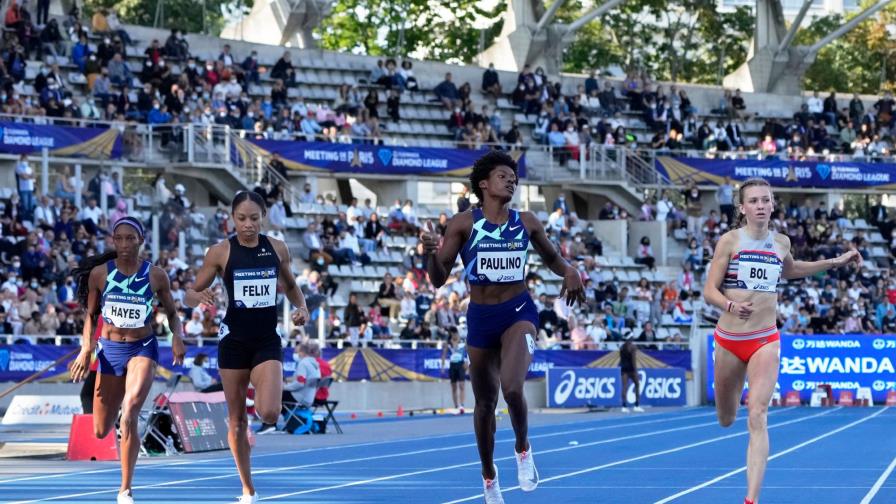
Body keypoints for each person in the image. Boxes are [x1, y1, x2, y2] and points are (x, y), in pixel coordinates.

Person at [420, 151, 585, 503]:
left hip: (519, 311)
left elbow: (554, 259)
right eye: (503, 176)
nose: (511, 180)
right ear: (483, 184)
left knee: (512, 388)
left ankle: (523, 449)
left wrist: (570, 271)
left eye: (514, 177)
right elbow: (437, 278)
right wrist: (428, 252)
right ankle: (489, 476)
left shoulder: (526, 221)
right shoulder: (463, 224)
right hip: (480, 317)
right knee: (484, 405)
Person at [703, 177, 861, 504]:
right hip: (730, 339)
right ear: (743, 208)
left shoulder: (781, 243)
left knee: (757, 414)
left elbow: (791, 270)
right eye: (755, 201)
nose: (761, 206)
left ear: (772, 204)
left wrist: (833, 262)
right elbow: (709, 291)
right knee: (726, 418)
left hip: (765, 339)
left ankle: (751, 499)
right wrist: (730, 305)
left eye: (766, 200)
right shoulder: (730, 242)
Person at [184, 191, 309, 504]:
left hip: (266, 339)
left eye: (254, 218)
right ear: (232, 218)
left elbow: (291, 286)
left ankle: (261, 387)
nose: (248, 225)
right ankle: (247, 488)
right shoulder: (220, 252)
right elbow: (189, 293)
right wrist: (198, 298)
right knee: (238, 420)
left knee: (269, 412)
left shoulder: (277, 248)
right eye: (242, 219)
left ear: (263, 217)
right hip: (234, 344)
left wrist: (302, 308)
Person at [69, 216, 185, 504]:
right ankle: (119, 428)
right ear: (112, 241)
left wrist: (177, 336)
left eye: (130, 238)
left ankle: (125, 488)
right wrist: (87, 349)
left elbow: (171, 313)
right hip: (109, 352)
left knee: (131, 410)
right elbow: (91, 316)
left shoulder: (156, 275)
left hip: (142, 348)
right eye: (118, 238)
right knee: (100, 430)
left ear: (141, 240)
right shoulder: (100, 274)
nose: (123, 244)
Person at [257, 342, 321, 434]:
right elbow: (301, 379)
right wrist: (288, 381)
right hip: (308, 397)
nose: (295, 354)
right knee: (278, 396)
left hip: (300, 396)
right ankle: (287, 421)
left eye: (296, 352)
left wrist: (284, 387)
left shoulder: (303, 363)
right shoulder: (314, 364)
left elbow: (300, 383)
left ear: (302, 353)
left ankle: (269, 425)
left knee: (272, 396)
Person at [440, 327, 467, 414]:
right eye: (453, 334)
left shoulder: (462, 342)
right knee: (454, 386)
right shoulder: (448, 343)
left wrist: (467, 363)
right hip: (453, 365)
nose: (454, 335)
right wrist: (443, 367)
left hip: (460, 364)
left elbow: (468, 352)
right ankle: (456, 405)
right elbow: (444, 355)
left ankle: (462, 405)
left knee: (462, 385)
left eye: (455, 333)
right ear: (451, 334)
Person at [619, 338, 643, 413]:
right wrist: (635, 371)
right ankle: (637, 405)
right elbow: (633, 360)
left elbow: (621, 359)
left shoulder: (621, 347)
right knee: (637, 384)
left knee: (624, 386)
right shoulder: (633, 347)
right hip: (631, 369)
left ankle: (624, 406)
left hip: (624, 368)